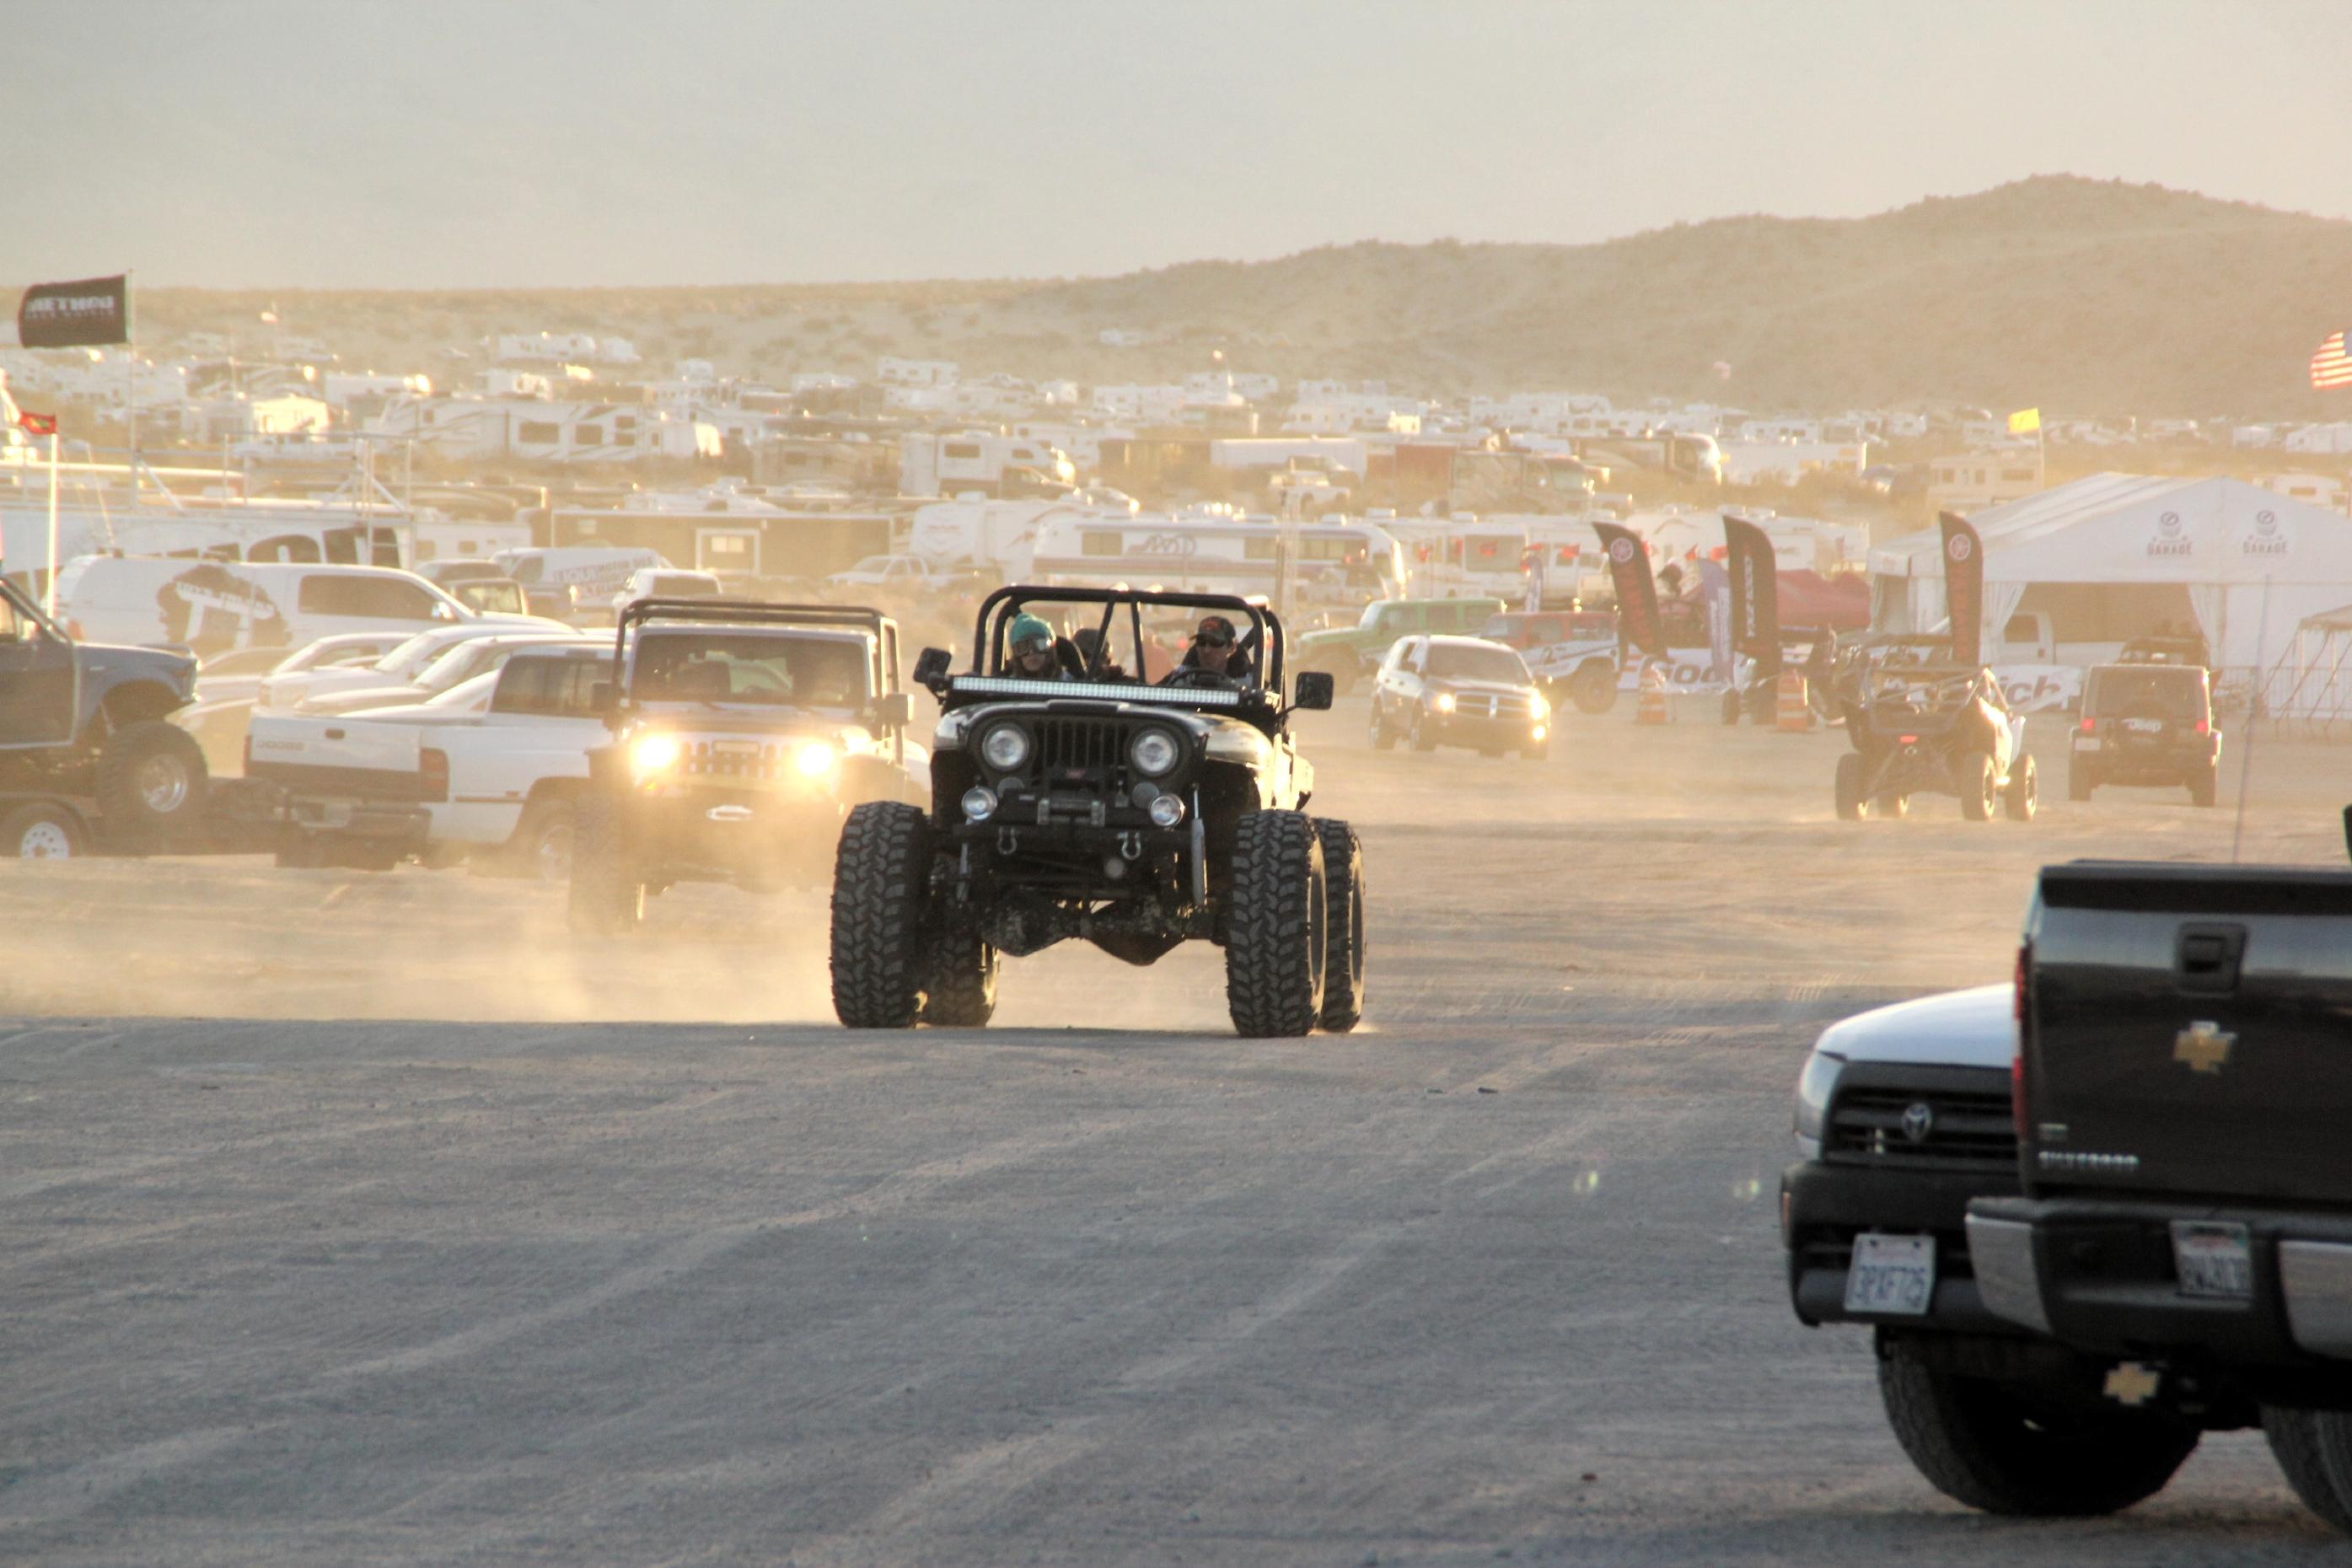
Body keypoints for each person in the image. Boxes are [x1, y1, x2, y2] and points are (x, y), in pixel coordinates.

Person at [1163, 614, 1253, 685]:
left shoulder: (1246, 684)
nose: (1207, 650)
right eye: (1201, 642)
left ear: (1231, 647)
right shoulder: (1180, 677)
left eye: (1215, 643)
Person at [1005, 612, 1081, 680]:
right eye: (1023, 647)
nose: (1031, 652)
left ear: (1051, 649)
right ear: (1016, 653)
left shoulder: (1069, 684)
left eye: (1041, 644)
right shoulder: (1007, 686)